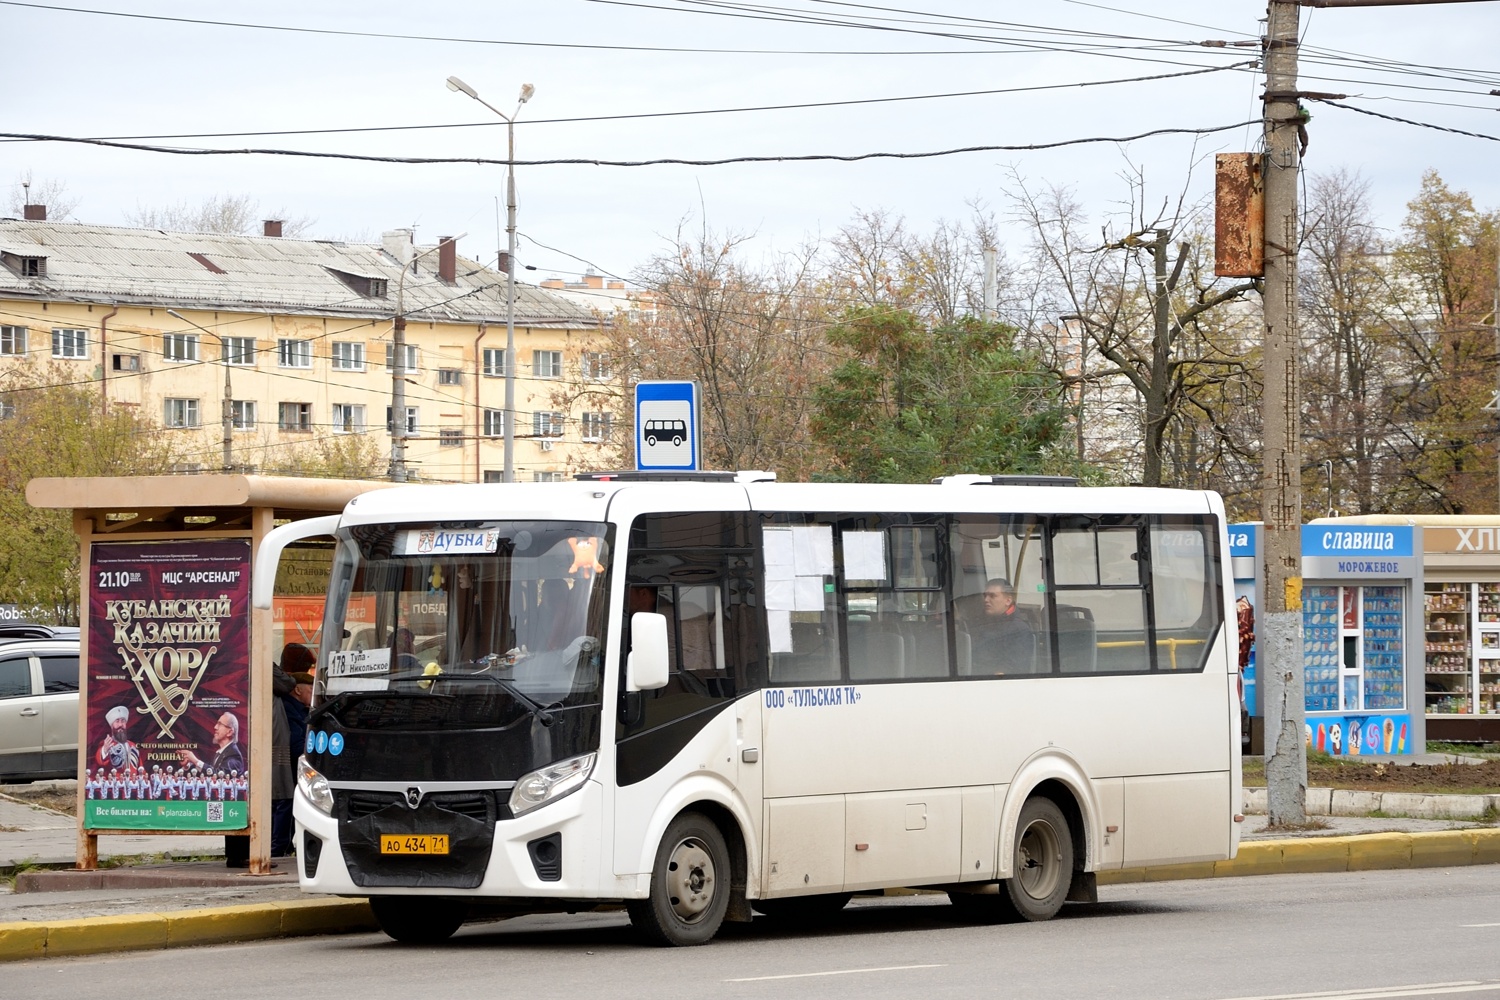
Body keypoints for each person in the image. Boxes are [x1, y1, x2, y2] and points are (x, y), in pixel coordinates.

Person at [975, 578, 1035, 673]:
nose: (986, 600)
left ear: (1008, 601)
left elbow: (1014, 668)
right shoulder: (980, 623)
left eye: (992, 596)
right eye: (985, 595)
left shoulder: (1020, 630)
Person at [95, 705, 141, 772]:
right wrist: (104, 750)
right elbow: (100, 760)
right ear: (111, 726)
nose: (120, 725)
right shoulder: (107, 744)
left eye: (123, 721)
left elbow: (141, 768)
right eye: (117, 721)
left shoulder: (132, 745)